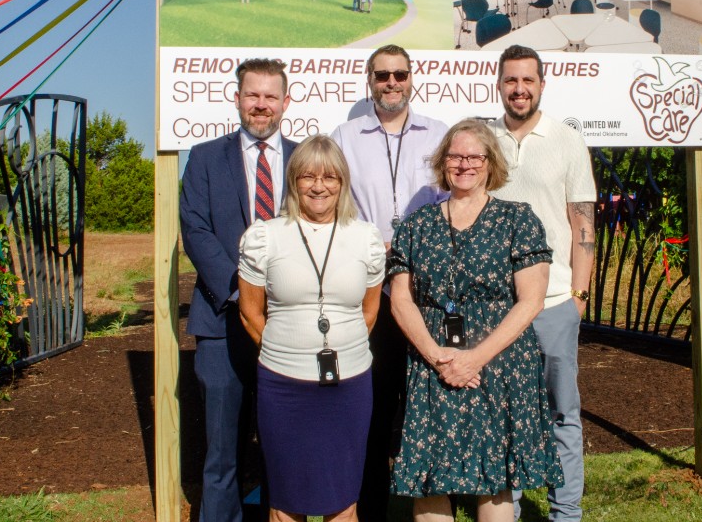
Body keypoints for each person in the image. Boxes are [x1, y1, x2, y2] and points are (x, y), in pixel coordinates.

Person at [388, 118, 561, 522]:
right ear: (442, 161)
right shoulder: (415, 225)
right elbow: (400, 300)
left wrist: (474, 358)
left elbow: (531, 300)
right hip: (432, 362)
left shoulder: (517, 220)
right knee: (428, 475)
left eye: (474, 156)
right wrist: (439, 357)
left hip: (498, 363)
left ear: (490, 163)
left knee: (494, 477)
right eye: (455, 155)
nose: (464, 164)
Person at [238, 136, 387, 522]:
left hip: (349, 386)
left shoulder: (366, 238)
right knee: (285, 503)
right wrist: (287, 354)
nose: (319, 186)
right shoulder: (265, 237)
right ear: (293, 181)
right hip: (284, 387)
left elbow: (369, 312)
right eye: (308, 176)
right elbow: (251, 312)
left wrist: (343, 346)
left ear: (343, 183)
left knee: (344, 501)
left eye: (330, 177)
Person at [331, 45, 449, 522]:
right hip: (370, 291)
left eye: (400, 74)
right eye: (382, 75)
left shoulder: (440, 134)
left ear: (411, 78)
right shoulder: (345, 135)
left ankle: (437, 507)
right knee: (373, 409)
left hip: (428, 292)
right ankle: (374, 510)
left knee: (431, 405)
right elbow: (332, 201)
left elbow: (455, 203)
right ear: (369, 80)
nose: (391, 83)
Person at [180, 58, 298, 522]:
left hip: (290, 327)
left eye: (271, 96)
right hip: (222, 322)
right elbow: (195, 229)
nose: (261, 105)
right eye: (253, 95)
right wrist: (241, 294)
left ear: (286, 102)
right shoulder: (206, 157)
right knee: (221, 453)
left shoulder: (306, 158)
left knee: (280, 450)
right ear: (237, 98)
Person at [488, 45, 596, 522]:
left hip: (554, 303)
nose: (519, 89)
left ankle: (566, 512)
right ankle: (503, 510)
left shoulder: (567, 140)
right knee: (502, 417)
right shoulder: (483, 139)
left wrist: (578, 296)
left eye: (528, 80)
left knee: (562, 414)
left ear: (541, 85)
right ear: (499, 84)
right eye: (511, 80)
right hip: (497, 307)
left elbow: (583, 224)